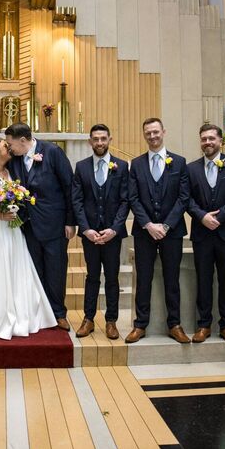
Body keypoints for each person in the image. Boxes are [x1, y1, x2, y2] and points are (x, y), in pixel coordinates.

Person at [0, 137, 57, 341]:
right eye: (5, 146)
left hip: (10, 230)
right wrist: (0, 215)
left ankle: (15, 312)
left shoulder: (8, 172)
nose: (10, 148)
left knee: (12, 270)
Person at [5, 123, 75, 331]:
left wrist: (71, 222)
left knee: (56, 270)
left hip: (54, 224)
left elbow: (69, 187)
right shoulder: (14, 160)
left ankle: (59, 313)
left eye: (11, 144)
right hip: (27, 226)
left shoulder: (52, 152)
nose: (10, 148)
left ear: (23, 141)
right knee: (34, 271)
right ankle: (39, 313)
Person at [126, 118, 190, 344]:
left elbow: (183, 198)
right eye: (148, 133)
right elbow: (132, 197)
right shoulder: (136, 164)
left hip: (171, 232)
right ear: (144, 135)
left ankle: (175, 324)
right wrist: (148, 224)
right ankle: (140, 325)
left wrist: (166, 225)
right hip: (144, 232)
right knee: (143, 279)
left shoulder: (180, 163)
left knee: (172, 279)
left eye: (155, 132)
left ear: (163, 131)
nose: (152, 136)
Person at [186, 124, 225, 345]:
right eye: (203, 139)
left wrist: (219, 217)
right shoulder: (191, 168)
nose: (207, 142)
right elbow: (187, 198)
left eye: (211, 138)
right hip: (202, 233)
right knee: (203, 280)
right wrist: (203, 217)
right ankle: (203, 325)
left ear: (221, 141)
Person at [71, 124, 129, 340]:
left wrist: (115, 229)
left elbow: (125, 201)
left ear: (109, 139)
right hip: (90, 235)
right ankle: (88, 319)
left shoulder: (121, 166)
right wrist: (85, 229)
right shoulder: (81, 167)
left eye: (103, 138)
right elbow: (76, 200)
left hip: (113, 235)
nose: (99, 143)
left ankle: (111, 321)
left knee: (112, 277)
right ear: (90, 141)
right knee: (92, 276)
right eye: (95, 139)